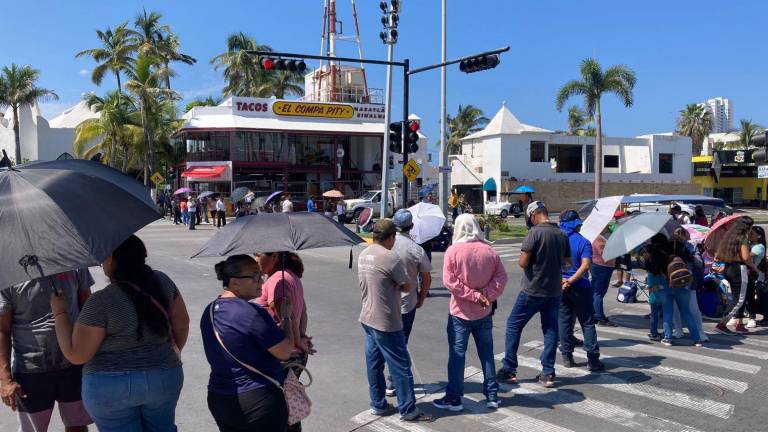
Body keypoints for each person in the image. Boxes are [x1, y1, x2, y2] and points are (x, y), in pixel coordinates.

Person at [50, 235, 190, 431]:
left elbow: (77, 354)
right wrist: (169, 354)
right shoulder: (163, 282)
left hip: (110, 384)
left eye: (104, 257)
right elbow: (182, 324)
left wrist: (60, 312)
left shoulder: (101, 301)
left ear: (114, 260)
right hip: (164, 376)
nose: (101, 263)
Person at [201, 255, 295, 432]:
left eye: (261, 275)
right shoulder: (252, 313)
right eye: (255, 277)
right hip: (258, 400)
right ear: (235, 283)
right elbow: (284, 351)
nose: (261, 281)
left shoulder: (210, 310)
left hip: (220, 398)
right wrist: (286, 316)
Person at [357, 219, 432, 422]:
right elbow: (407, 286)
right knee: (401, 365)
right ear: (390, 237)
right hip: (387, 320)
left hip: (367, 316)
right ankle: (408, 409)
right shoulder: (390, 258)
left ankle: (378, 404)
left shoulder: (364, 254)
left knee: (374, 364)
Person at [0, 270, 94, 432]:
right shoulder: (8, 273)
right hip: (30, 370)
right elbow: (2, 330)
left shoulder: (74, 262)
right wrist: (5, 378)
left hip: (74, 365)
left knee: (77, 426)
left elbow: (88, 308)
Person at [432, 214, 506, 411]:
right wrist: (485, 296)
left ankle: (454, 398)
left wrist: (473, 296)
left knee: (457, 355)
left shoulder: (453, 251)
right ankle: (492, 395)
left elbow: (450, 282)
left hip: (460, 313)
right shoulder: (489, 251)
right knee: (487, 354)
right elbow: (501, 278)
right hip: (484, 311)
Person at [497, 201, 570, 388]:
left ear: (533, 215)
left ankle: (509, 369)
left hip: (532, 290)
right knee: (550, 330)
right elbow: (567, 263)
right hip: (554, 291)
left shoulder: (534, 233)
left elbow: (523, 262)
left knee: (514, 325)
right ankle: (548, 373)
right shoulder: (562, 234)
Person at [254, 251, 315, 432]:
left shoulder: (277, 282)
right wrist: (301, 337)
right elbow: (302, 311)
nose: (256, 259)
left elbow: (286, 318)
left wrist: (297, 341)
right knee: (289, 405)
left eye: (259, 254)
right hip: (294, 354)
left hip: (284, 355)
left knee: (280, 409)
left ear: (274, 257)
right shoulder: (291, 276)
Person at [386, 210, 432, 397]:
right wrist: (421, 296)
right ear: (411, 226)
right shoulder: (416, 249)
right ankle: (395, 381)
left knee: (386, 342)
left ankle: (390, 381)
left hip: (385, 303)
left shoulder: (385, 244)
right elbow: (427, 277)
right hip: (407, 303)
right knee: (401, 342)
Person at [557, 210, 604, 371]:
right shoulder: (584, 242)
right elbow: (585, 266)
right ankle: (592, 360)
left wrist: (563, 280)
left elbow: (549, 264)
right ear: (576, 225)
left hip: (561, 287)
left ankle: (567, 357)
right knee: (587, 322)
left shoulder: (556, 242)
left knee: (564, 322)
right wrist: (571, 280)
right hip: (581, 287)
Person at [645, 234, 704, 346]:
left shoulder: (656, 252)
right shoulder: (678, 246)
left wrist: (648, 260)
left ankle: (668, 338)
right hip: (682, 282)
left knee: (667, 311)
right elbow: (691, 259)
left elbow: (654, 270)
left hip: (665, 284)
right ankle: (697, 339)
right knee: (686, 312)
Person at [714, 218, 758, 335]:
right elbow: (745, 257)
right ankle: (722, 323)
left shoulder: (730, 237)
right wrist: (754, 267)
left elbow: (718, 254)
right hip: (739, 269)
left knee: (735, 297)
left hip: (728, 267)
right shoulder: (742, 238)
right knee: (739, 299)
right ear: (746, 227)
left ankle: (733, 323)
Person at [590, 230, 617, 326]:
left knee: (597, 292)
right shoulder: (598, 238)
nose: (608, 226)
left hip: (602, 266)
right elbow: (603, 252)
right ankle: (599, 316)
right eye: (606, 225)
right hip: (601, 266)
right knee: (598, 292)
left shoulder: (602, 237)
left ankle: (595, 314)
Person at [747, 226, 766, 328]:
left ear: (759, 236)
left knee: (750, 296)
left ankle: (752, 317)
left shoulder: (759, 247)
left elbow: (747, 257)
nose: (749, 235)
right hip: (748, 273)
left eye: (752, 234)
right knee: (745, 296)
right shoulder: (749, 245)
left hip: (754, 275)